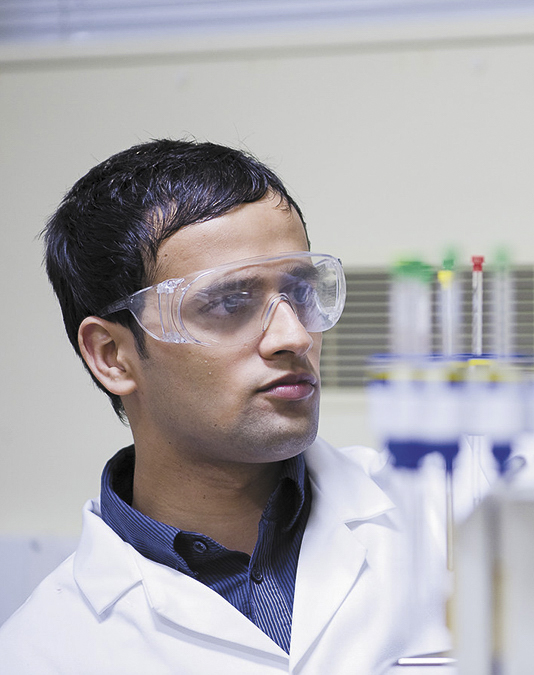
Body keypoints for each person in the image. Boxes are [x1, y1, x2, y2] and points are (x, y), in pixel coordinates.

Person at [0, 140, 446, 673]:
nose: (294, 334)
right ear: (112, 356)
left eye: (301, 291)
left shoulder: (452, 509)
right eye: (229, 302)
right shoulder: (42, 651)